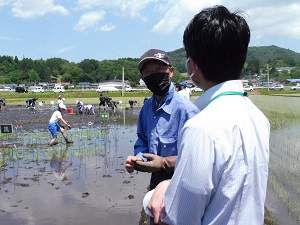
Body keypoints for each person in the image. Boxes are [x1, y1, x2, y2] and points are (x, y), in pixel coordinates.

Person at [145, 6, 270, 225]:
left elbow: (178, 218)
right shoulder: (258, 116)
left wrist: (158, 192)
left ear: (192, 65)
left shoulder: (201, 128)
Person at [125, 49, 200, 221]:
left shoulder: (187, 111)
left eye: (159, 70)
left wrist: (164, 163)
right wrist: (137, 159)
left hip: (183, 183)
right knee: (156, 218)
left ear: (171, 72)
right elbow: (142, 140)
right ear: (143, 79)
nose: (154, 75)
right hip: (156, 181)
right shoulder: (146, 108)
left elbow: (197, 158)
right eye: (148, 72)